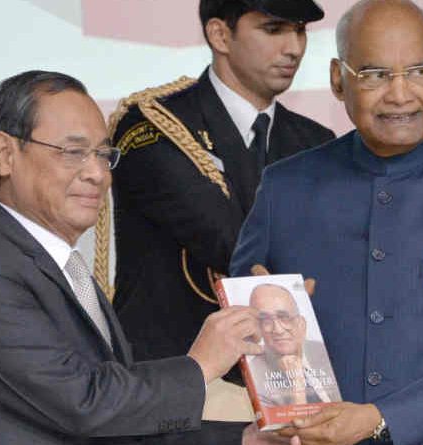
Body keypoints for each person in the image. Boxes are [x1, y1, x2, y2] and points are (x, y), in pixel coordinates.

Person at [230, 1, 423, 444]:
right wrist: (252, 320)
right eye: (375, 75)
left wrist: (381, 417)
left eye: (418, 71)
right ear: (339, 79)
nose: (400, 94)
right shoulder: (286, 188)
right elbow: (237, 333)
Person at [0, 70, 266, 445]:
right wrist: (200, 365)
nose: (98, 174)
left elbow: (122, 427)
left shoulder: (69, 272)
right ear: (5, 154)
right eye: (73, 152)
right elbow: (85, 406)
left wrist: (244, 439)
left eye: (103, 154)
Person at [106, 0, 334, 412]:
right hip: (175, 389)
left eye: (300, 31)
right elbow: (233, 242)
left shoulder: (315, 142)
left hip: (285, 388)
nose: (295, 47)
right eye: (274, 29)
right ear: (220, 35)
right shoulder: (154, 125)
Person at [247, 284, 341, 406]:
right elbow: (295, 424)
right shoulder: (255, 375)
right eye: (266, 320)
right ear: (258, 328)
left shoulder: (326, 351)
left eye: (284, 317)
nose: (278, 330)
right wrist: (297, 386)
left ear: (301, 324)